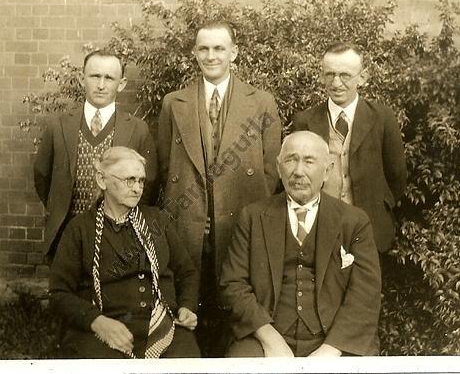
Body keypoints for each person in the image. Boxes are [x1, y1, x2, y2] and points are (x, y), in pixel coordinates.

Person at [157, 21, 282, 356]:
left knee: (234, 304)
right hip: (190, 222)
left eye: (219, 48)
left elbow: (272, 172)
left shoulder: (262, 103)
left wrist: (251, 217)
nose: (211, 56)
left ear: (234, 53)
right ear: (195, 53)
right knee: (191, 306)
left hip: (239, 221)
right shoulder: (174, 103)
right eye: (204, 49)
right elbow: (167, 167)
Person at [219, 131, 381, 357]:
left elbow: (365, 294)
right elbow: (233, 284)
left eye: (309, 161)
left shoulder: (354, 221)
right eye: (291, 160)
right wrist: (269, 338)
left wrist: (330, 350)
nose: (298, 171)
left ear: (327, 170)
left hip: (334, 339)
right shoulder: (253, 217)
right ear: (278, 167)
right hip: (267, 336)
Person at [49, 147, 199, 358]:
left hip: (161, 323)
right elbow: (59, 293)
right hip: (105, 324)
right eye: (129, 180)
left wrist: (187, 306)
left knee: (187, 360)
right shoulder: (80, 229)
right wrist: (97, 322)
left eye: (140, 181)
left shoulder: (157, 220)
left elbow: (187, 272)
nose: (137, 188)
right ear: (102, 180)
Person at [34, 50, 158, 261]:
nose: (101, 85)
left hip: (118, 237)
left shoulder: (137, 129)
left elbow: (149, 185)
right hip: (66, 236)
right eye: (94, 76)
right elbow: (42, 175)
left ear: (122, 83)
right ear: (82, 79)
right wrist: (60, 209)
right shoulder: (59, 125)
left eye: (109, 78)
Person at [291, 42, 407, 253]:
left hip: (370, 230)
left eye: (345, 75)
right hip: (319, 231)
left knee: (366, 286)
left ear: (362, 77)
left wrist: (380, 208)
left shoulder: (382, 118)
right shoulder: (305, 121)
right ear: (321, 76)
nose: (336, 83)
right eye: (330, 74)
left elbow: (397, 176)